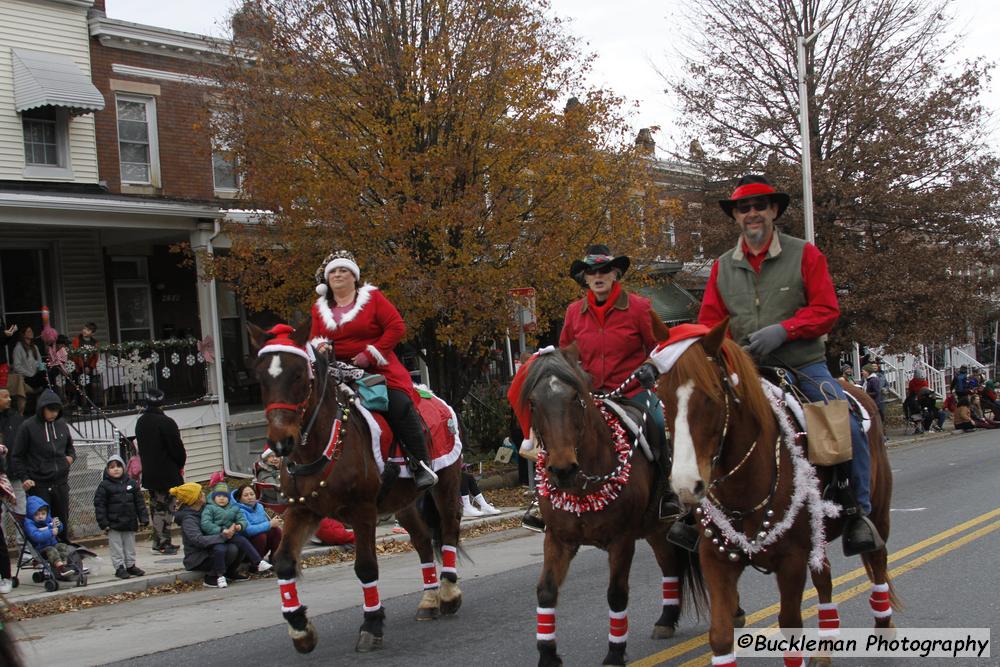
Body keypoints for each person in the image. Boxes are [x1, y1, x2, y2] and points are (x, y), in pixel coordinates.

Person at [698, 174, 882, 555]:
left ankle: (858, 510)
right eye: (744, 208)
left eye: (759, 206)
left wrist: (786, 330)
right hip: (744, 367)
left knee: (845, 421)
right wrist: (728, 350)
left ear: (774, 211)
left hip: (800, 366)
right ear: (735, 216)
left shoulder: (806, 254)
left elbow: (827, 310)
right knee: (695, 418)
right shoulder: (721, 267)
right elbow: (710, 322)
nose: (752, 214)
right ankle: (692, 515)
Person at [559, 244, 681, 520]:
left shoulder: (639, 307)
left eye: (604, 270)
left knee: (658, 424)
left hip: (632, 391)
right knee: (557, 427)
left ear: (615, 273)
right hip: (591, 395)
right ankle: (550, 499)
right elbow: (566, 352)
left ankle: (667, 493)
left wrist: (650, 366)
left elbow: (660, 346)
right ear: (585, 278)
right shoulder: (573, 312)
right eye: (592, 272)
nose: (598, 276)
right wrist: (576, 372)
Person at [308, 250, 437, 490]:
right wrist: (321, 346)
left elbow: (396, 327)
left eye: (343, 270)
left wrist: (371, 354)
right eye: (333, 271)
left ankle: (420, 464)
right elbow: (315, 337)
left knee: (399, 404)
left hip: (378, 368)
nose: (338, 275)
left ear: (354, 276)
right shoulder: (319, 309)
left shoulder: (373, 298)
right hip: (335, 371)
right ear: (327, 279)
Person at [10, 388, 75, 541]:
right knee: (43, 523)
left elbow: (70, 448)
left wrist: (70, 458)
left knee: (61, 521)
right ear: (42, 408)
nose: (54, 413)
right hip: (39, 484)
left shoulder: (61, 425)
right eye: (50, 410)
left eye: (57, 410)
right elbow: (17, 456)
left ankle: (64, 553)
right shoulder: (28, 427)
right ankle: (48, 557)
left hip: (60, 483)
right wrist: (24, 477)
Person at [171, 482, 250, 589]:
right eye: (201, 492)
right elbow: (198, 540)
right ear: (195, 498)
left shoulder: (204, 509)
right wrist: (223, 536)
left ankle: (230, 572)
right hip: (198, 558)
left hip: (211, 549)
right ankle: (211, 576)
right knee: (230, 549)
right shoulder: (189, 519)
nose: (204, 494)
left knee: (240, 543)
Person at [135, 389, 185, 554]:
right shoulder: (166, 422)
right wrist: (180, 463)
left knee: (157, 507)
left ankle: (162, 541)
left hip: (150, 472)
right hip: (167, 473)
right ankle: (162, 543)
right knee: (165, 508)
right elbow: (176, 449)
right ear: (162, 403)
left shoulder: (141, 422)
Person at [93, 454, 149, 579]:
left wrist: (143, 518)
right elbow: (99, 505)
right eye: (112, 467)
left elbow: (139, 503)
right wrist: (104, 523)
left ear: (123, 468)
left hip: (129, 522)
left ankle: (130, 565)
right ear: (108, 470)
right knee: (116, 547)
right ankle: (119, 567)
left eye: (118, 466)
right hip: (114, 524)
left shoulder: (132, 484)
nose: (116, 469)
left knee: (130, 546)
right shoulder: (104, 486)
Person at [200, 480, 272, 577]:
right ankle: (219, 576)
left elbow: (241, 520)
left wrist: (239, 525)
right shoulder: (209, 508)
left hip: (230, 535)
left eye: (225, 496)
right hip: (216, 536)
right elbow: (206, 524)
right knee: (221, 549)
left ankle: (259, 562)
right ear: (214, 497)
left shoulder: (233, 507)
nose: (222, 499)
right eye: (219, 496)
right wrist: (222, 530)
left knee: (242, 541)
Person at [22, 495, 74, 580]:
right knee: (51, 550)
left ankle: (64, 564)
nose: (40, 516)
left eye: (43, 514)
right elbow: (36, 536)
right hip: (41, 549)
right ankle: (60, 568)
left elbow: (59, 529)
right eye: (37, 514)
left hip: (53, 544)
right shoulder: (29, 524)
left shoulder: (48, 520)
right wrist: (50, 532)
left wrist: (58, 525)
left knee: (62, 546)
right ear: (31, 514)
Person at [0, 388, 20, 593]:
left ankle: (5, 575)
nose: (10, 399)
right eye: (5, 396)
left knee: (0, 539)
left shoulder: (15, 419)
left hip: (10, 477)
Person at [232, 484, 282, 563]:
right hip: (246, 549)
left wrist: (273, 523)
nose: (250, 497)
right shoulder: (238, 510)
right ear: (239, 499)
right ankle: (255, 565)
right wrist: (269, 524)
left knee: (276, 531)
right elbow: (248, 530)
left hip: (262, 546)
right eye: (246, 495)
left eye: (252, 494)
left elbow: (266, 524)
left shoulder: (259, 507)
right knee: (260, 536)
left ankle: (274, 559)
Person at [11, 327, 45, 414]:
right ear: (23, 334)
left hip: (36, 376)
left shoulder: (34, 347)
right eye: (28, 331)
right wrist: (30, 374)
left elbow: (40, 362)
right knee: (43, 383)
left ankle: (43, 407)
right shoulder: (18, 348)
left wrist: (42, 370)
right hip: (26, 377)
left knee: (47, 379)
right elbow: (16, 366)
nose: (31, 332)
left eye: (31, 331)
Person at [71, 323, 100, 410]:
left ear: (92, 333)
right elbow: (76, 354)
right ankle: (79, 405)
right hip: (78, 367)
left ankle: (90, 406)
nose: (84, 331)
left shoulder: (95, 343)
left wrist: (90, 366)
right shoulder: (77, 340)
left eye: (88, 330)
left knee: (89, 386)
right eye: (84, 328)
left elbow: (96, 356)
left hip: (89, 368)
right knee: (78, 386)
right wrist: (83, 366)